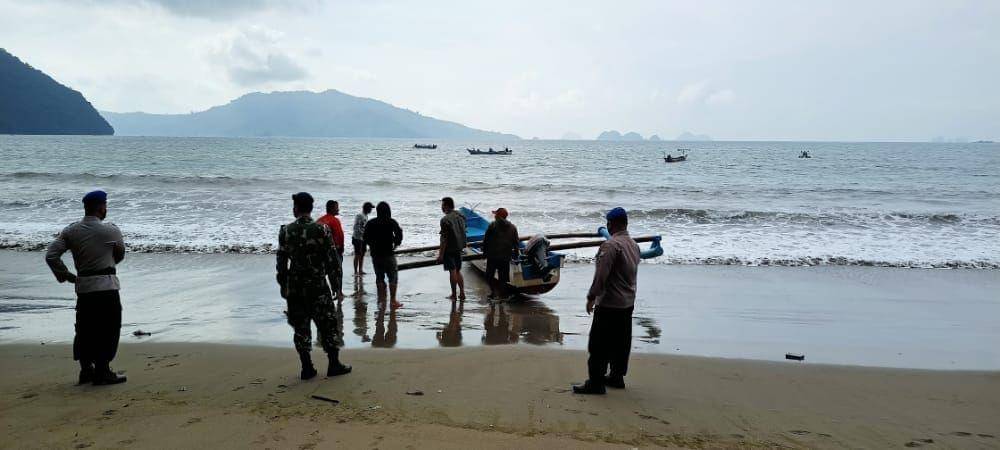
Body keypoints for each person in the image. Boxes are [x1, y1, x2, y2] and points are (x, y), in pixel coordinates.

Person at [44, 190, 128, 386]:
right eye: (105, 205)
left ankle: (86, 370)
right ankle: (102, 370)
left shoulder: (71, 231)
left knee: (84, 328)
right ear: (101, 207)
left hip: (84, 287)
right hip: (106, 285)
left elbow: (51, 256)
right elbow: (120, 255)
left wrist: (65, 275)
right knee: (108, 327)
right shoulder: (111, 231)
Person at [276, 192, 351, 380]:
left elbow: (281, 263)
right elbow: (333, 261)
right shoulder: (322, 230)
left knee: (300, 327)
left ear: (296, 209)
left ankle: (307, 368)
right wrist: (336, 285)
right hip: (318, 285)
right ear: (310, 208)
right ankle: (334, 364)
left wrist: (284, 287)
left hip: (296, 287)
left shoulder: (286, 231)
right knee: (328, 324)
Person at [573, 207, 640, 395]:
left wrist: (591, 296)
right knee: (621, 342)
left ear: (612, 224)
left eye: (608, 223)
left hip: (610, 302)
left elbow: (601, 275)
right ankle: (617, 377)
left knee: (599, 344)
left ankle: (595, 383)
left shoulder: (610, 246)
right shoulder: (633, 245)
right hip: (627, 302)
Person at [363, 201, 403, 309]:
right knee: (393, 277)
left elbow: (365, 237)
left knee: (379, 277)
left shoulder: (371, 223)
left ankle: (381, 301)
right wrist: (396, 243)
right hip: (388, 253)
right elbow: (399, 233)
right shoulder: (391, 222)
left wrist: (371, 244)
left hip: (376, 254)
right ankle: (393, 300)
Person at [481, 207, 520, 299]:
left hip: (493, 256)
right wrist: (516, 254)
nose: (494, 216)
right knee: (503, 278)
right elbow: (516, 243)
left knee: (489, 276)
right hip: (506, 256)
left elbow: (486, 241)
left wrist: (484, 253)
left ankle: (493, 292)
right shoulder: (513, 227)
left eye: (496, 214)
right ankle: (502, 295)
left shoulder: (492, 225)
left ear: (498, 216)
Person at [436, 197, 466, 300]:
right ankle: (462, 293)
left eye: (442, 205)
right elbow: (464, 229)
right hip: (459, 247)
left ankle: (454, 295)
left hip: (449, 249)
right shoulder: (460, 215)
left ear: (447, 206)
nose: (442, 207)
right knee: (458, 271)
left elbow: (444, 239)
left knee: (452, 271)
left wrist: (440, 255)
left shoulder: (445, 220)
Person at [317, 200, 346, 300]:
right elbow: (340, 236)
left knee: (323, 273)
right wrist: (341, 249)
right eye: (337, 207)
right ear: (332, 208)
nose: (338, 209)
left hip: (321, 252)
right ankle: (339, 293)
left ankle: (322, 293)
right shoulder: (335, 220)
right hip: (333, 252)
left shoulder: (319, 220)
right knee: (338, 272)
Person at [352, 202, 374, 277]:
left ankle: (360, 270)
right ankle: (355, 271)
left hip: (363, 239)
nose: (371, 210)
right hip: (357, 238)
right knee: (357, 254)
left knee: (362, 255)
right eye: (370, 208)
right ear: (367, 208)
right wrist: (363, 234)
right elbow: (356, 227)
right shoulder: (359, 215)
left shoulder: (366, 216)